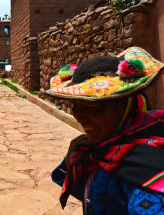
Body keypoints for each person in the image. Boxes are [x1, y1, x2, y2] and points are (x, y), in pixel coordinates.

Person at [45, 47, 164, 214]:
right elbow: (94, 196)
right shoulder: (103, 149)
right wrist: (69, 164)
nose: (80, 116)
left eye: (91, 107)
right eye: (75, 107)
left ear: (124, 104)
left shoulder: (149, 166)